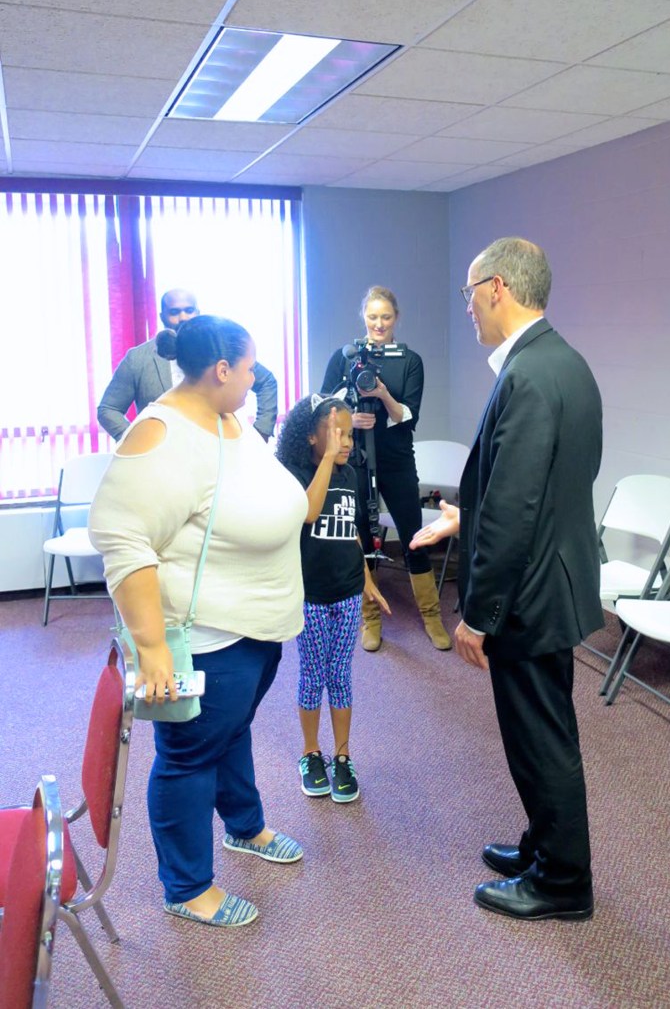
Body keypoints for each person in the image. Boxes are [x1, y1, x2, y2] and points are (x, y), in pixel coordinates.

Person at [89, 315, 308, 928]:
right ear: (220, 370)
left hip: (256, 629)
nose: (254, 379)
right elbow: (123, 539)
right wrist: (153, 648)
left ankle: (244, 826)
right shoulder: (160, 433)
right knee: (188, 755)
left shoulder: (225, 416)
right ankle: (187, 888)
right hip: (207, 638)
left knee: (230, 733)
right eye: (247, 369)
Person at [411, 237, 604, 922]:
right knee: (543, 731)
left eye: (469, 292)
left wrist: (479, 615)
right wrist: (466, 516)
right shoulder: (564, 363)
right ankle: (542, 846)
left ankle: (561, 882)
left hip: (526, 597)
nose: (467, 306)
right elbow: (547, 485)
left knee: (539, 738)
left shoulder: (526, 374)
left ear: (496, 288)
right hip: (556, 581)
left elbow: (521, 507)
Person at [321, 285, 450, 652]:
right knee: (362, 535)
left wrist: (381, 394)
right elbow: (322, 405)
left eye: (386, 317)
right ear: (364, 316)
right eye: (373, 316)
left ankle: (431, 617)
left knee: (413, 534)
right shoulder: (345, 357)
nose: (379, 324)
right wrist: (350, 418)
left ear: (396, 319)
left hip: (396, 459)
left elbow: (408, 418)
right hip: (356, 459)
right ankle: (371, 620)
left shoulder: (410, 361)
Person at [276, 394, 390, 803]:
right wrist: (326, 462)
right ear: (311, 436)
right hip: (309, 596)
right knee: (312, 675)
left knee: (340, 675)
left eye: (349, 433)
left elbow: (354, 534)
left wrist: (367, 581)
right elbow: (308, 513)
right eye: (336, 433)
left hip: (345, 594)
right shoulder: (294, 473)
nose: (346, 442)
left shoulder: (352, 476)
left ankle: (342, 756)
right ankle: (311, 753)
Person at [97, 287, 279, 442]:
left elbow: (266, 381)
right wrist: (137, 440)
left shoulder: (220, 348)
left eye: (189, 310)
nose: (183, 317)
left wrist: (260, 432)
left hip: (217, 452)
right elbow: (108, 409)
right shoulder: (138, 359)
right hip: (165, 460)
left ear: (198, 313)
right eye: (174, 312)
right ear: (162, 316)